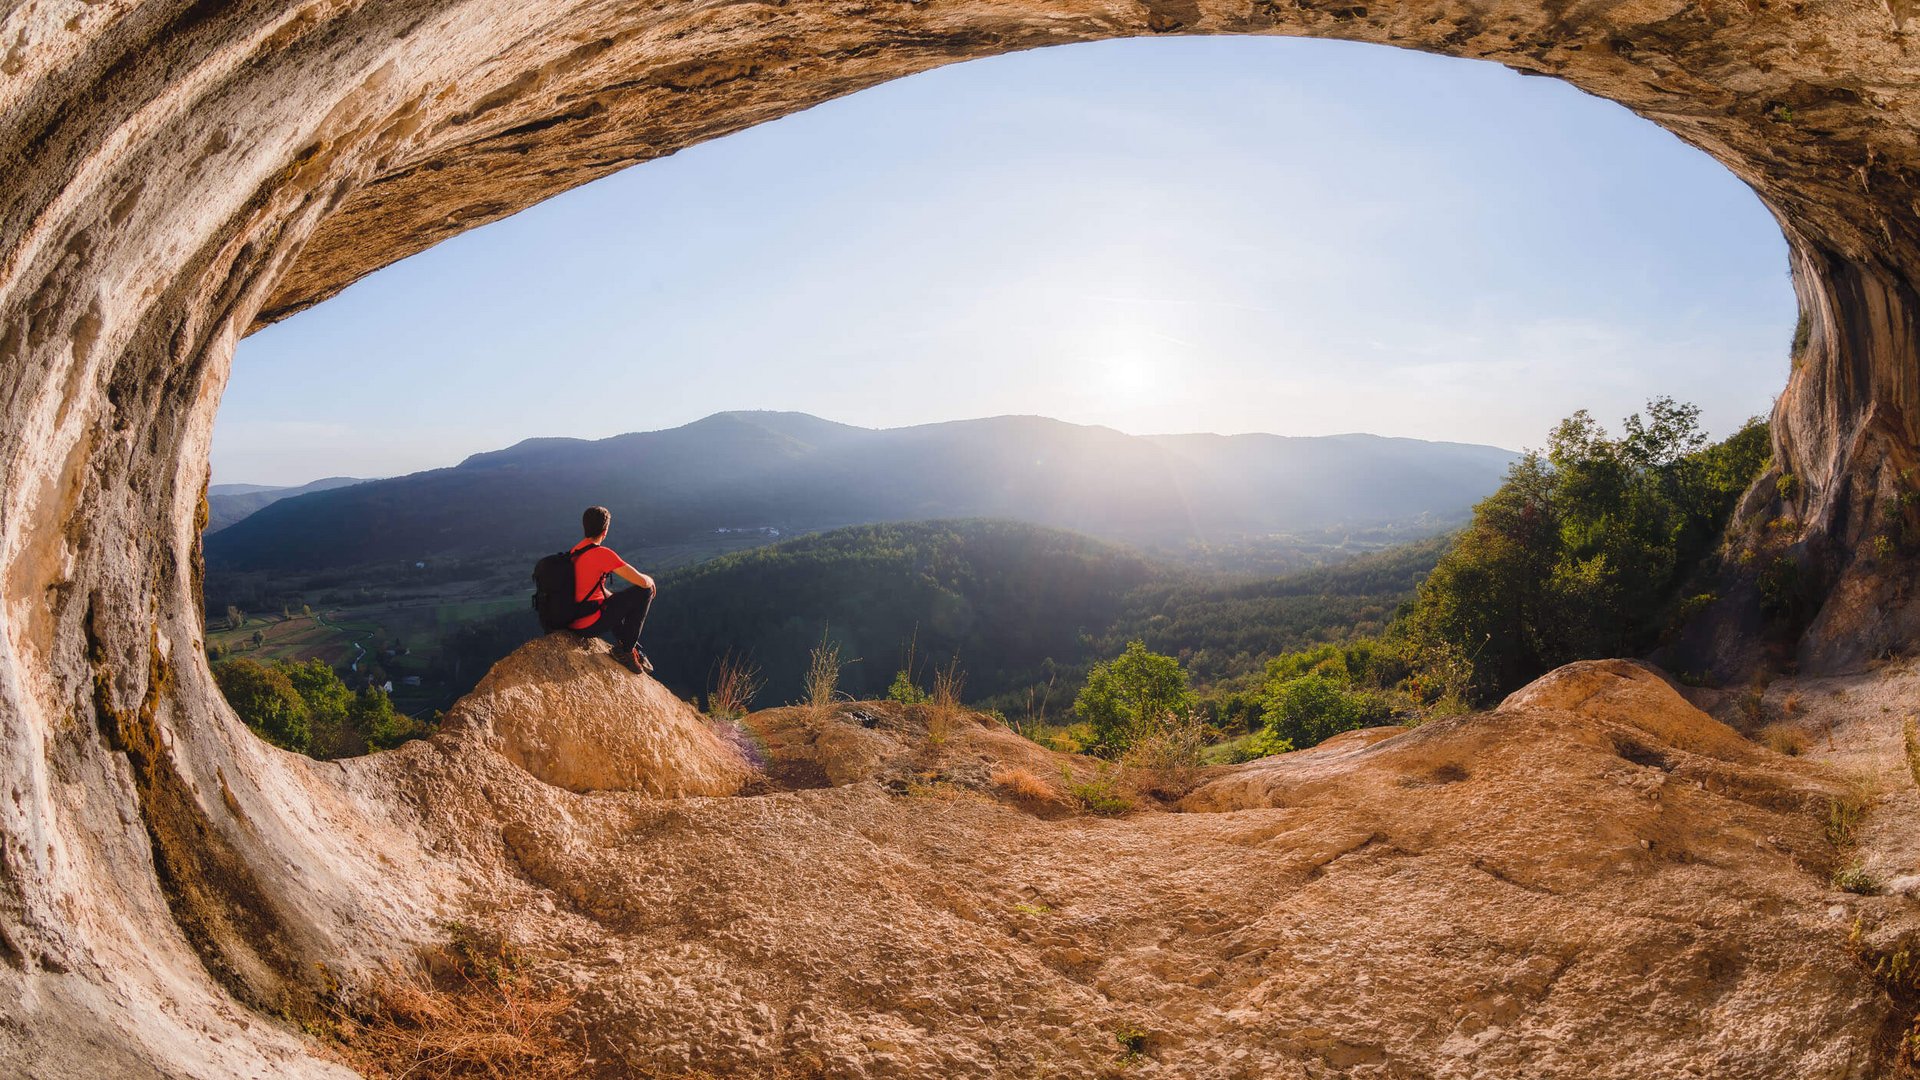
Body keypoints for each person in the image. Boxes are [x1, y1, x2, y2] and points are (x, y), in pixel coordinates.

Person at [568, 505, 657, 674]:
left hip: (575, 619)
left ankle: (629, 646)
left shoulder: (575, 552)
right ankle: (626, 651)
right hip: (589, 624)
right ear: (605, 530)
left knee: (615, 600)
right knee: (645, 592)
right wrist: (651, 580)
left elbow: (589, 588)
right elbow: (641, 582)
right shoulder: (602, 554)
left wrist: (618, 601)